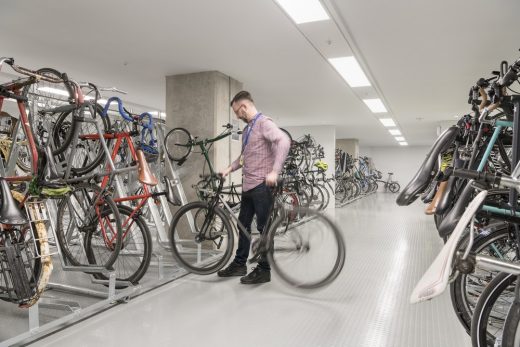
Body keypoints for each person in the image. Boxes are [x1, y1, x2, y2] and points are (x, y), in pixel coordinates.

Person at [218, 90, 291, 284]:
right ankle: (239, 263)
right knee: (242, 226)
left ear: (244, 107)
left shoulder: (264, 123)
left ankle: (264, 270)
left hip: (261, 186)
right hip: (249, 186)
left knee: (263, 229)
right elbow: (244, 157)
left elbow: (284, 141)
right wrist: (229, 168)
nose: (236, 116)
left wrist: (275, 171)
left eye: (237, 112)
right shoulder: (248, 129)